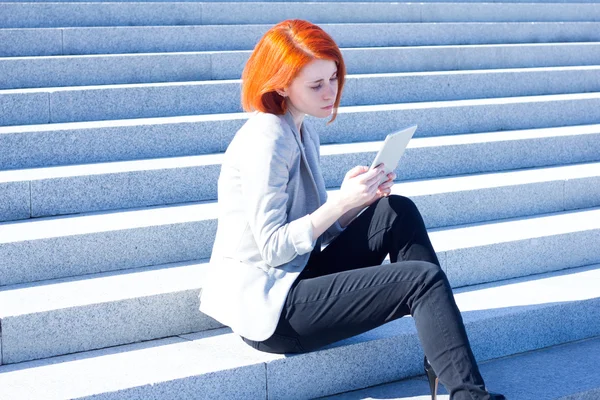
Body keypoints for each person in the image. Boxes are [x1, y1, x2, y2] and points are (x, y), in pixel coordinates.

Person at [198, 19, 505, 400]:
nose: (331, 92)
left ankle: (441, 358)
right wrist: (341, 203)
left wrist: (353, 202)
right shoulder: (267, 139)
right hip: (273, 311)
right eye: (316, 84)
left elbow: (313, 231)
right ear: (279, 84)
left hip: (299, 275)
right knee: (422, 280)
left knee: (396, 211)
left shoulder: (300, 128)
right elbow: (274, 247)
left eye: (334, 77)